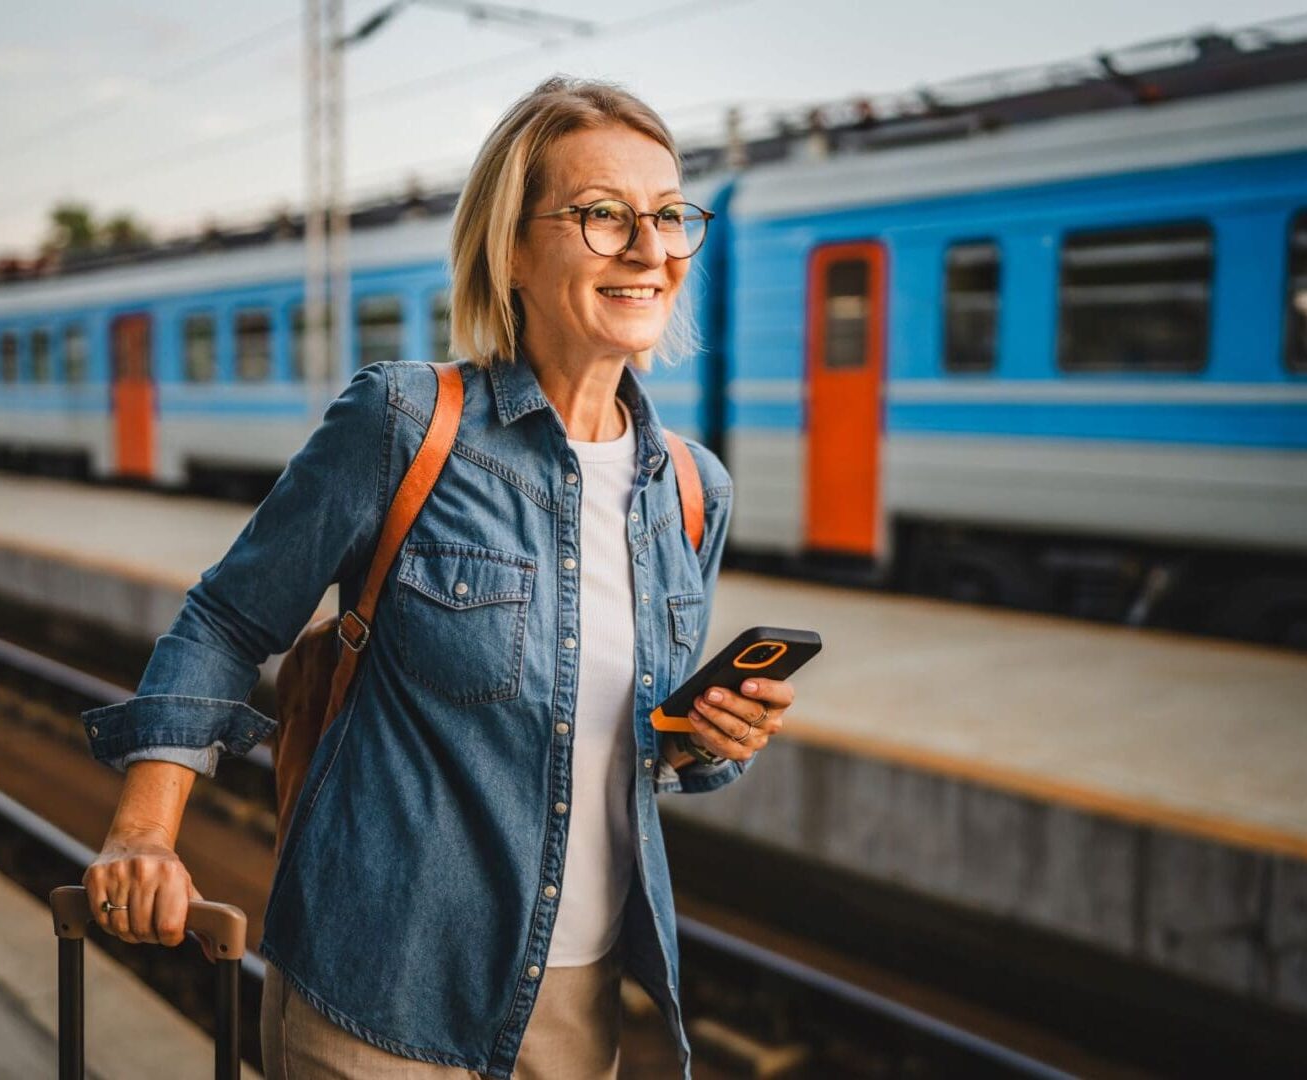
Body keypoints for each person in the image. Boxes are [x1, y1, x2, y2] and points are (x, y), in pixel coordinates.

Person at [80, 75, 795, 1080]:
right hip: (376, 1000)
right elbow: (226, 621)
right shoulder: (404, 425)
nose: (650, 248)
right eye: (602, 216)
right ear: (510, 247)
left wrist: (711, 740)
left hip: (576, 1008)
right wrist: (142, 835)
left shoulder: (688, 491)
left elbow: (633, 744)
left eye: (670, 215)